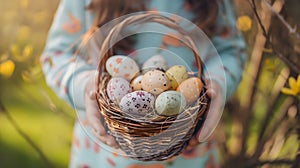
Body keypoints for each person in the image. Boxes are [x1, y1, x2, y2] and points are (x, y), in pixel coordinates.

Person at [40, 0, 246, 167]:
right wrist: (85, 85)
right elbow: (56, 55)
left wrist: (217, 83)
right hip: (104, 154)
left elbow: (230, 52)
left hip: (190, 149)